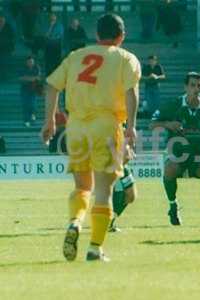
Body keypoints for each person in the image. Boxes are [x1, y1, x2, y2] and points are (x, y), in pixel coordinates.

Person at [41, 13, 141, 262]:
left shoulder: (76, 56)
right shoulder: (126, 58)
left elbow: (52, 86)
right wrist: (131, 127)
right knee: (104, 191)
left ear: (96, 35)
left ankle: (75, 222)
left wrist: (50, 120)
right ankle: (95, 248)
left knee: (82, 187)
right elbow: (131, 94)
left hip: (75, 127)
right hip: (106, 126)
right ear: (121, 36)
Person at [150, 72, 200, 227]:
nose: (196, 89)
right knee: (169, 170)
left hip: (198, 156)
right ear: (185, 87)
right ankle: (173, 206)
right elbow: (152, 124)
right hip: (177, 154)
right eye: (193, 85)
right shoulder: (174, 105)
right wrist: (168, 124)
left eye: (199, 85)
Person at [109, 145, 137, 232]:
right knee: (117, 195)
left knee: (131, 196)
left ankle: (110, 221)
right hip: (113, 166)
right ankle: (107, 223)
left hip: (123, 167)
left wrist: (129, 150)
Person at [20, 56, 41, 127]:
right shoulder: (23, 69)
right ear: (26, 62)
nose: (30, 63)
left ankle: (32, 117)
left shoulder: (36, 68)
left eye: (31, 62)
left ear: (34, 62)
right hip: (24, 89)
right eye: (29, 62)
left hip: (33, 89)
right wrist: (32, 79)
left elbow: (38, 78)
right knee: (25, 105)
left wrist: (27, 78)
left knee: (33, 104)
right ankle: (26, 121)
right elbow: (21, 78)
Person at [0, 15, 15, 81]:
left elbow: (12, 39)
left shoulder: (8, 28)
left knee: (5, 63)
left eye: (2, 20)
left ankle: (4, 77)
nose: (1, 22)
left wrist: (12, 49)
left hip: (6, 49)